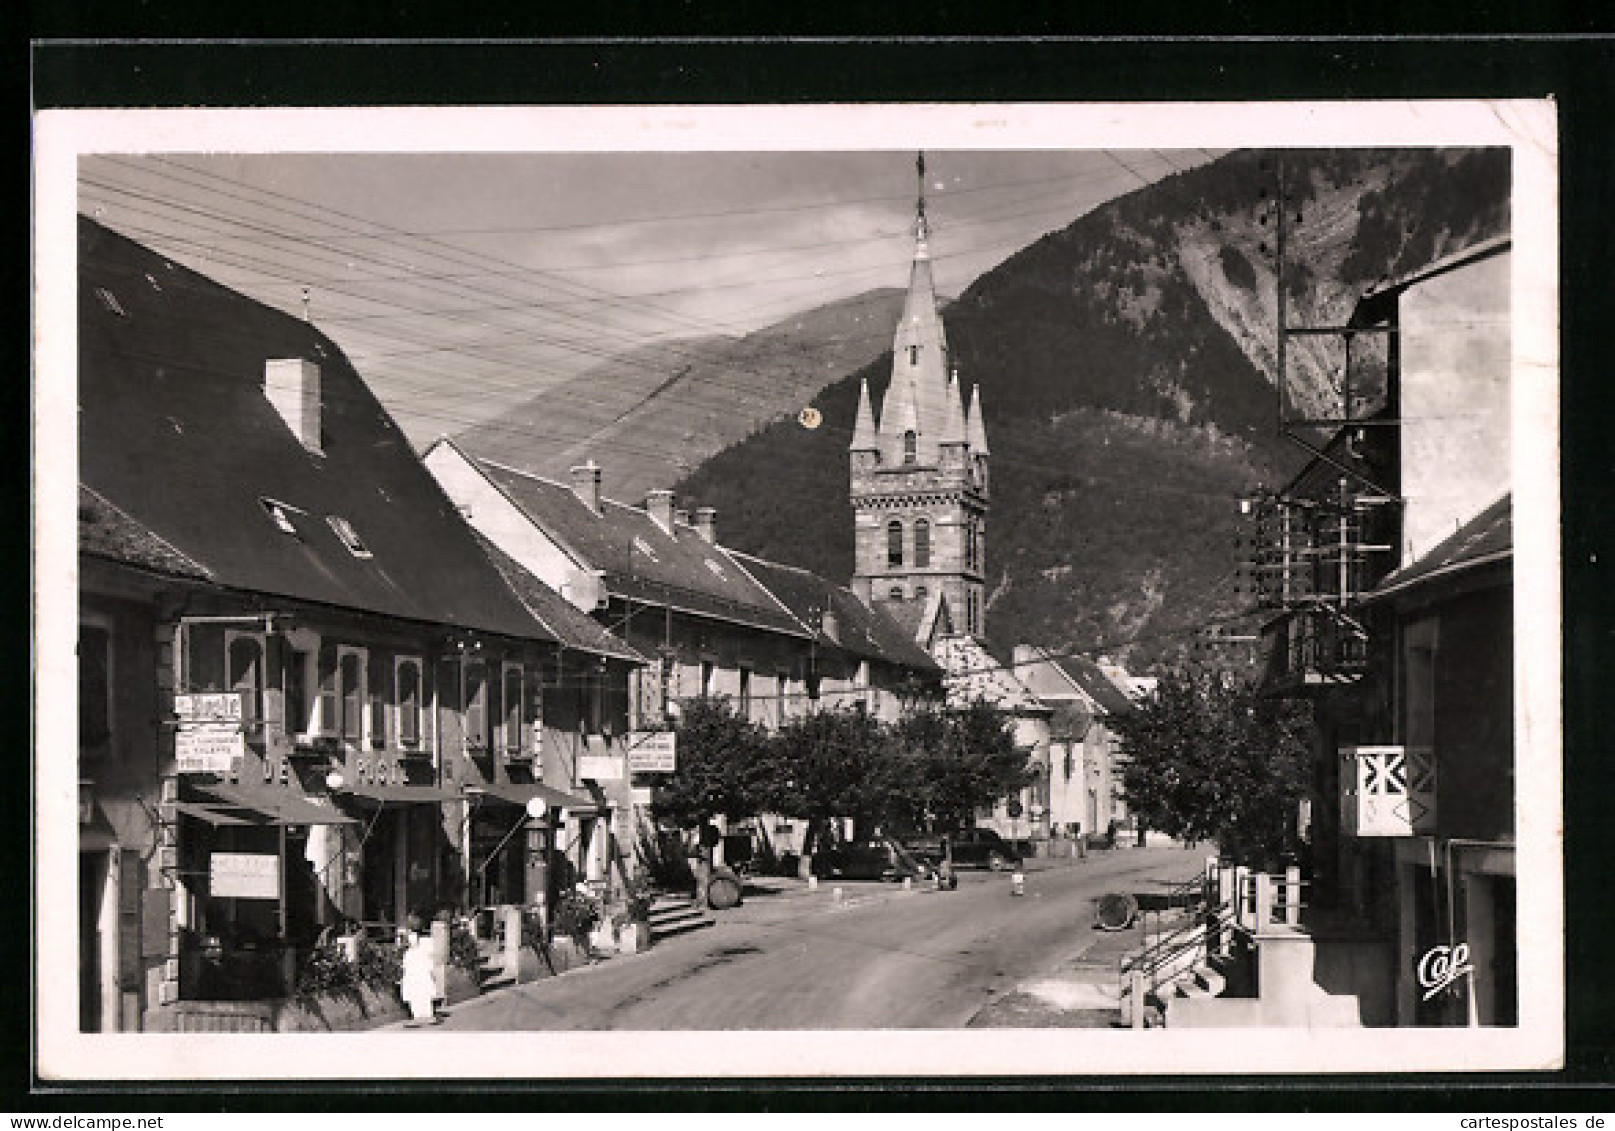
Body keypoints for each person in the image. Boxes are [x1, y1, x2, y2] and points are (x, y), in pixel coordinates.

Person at [398, 914, 440, 1027]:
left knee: (416, 989)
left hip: (416, 967)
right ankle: (425, 1014)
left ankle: (420, 1016)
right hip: (421, 967)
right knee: (421, 989)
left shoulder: (413, 939)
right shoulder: (427, 941)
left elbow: (405, 946)